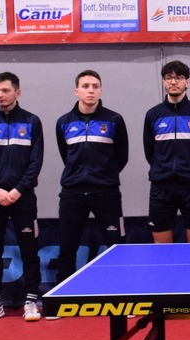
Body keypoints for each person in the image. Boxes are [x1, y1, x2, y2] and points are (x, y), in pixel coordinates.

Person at [0, 72, 44, 323]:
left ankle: (31, 300)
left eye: (5, 90)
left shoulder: (32, 122)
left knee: (29, 249)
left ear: (17, 92)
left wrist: (18, 190)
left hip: (22, 198)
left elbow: (36, 161)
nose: (0, 95)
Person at [53, 69, 129, 285]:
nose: (90, 90)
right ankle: (64, 294)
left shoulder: (114, 120)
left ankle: (123, 290)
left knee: (117, 245)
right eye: (85, 86)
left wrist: (104, 176)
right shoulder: (63, 122)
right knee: (67, 247)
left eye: (95, 86)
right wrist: (78, 175)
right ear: (76, 91)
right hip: (72, 193)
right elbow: (66, 156)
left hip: (106, 193)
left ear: (101, 90)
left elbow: (122, 157)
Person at [143, 60, 190, 243]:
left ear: (187, 81)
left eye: (179, 77)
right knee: (162, 249)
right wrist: (163, 169)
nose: (174, 82)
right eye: (169, 78)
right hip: (161, 188)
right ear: (163, 82)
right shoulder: (153, 115)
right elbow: (149, 152)